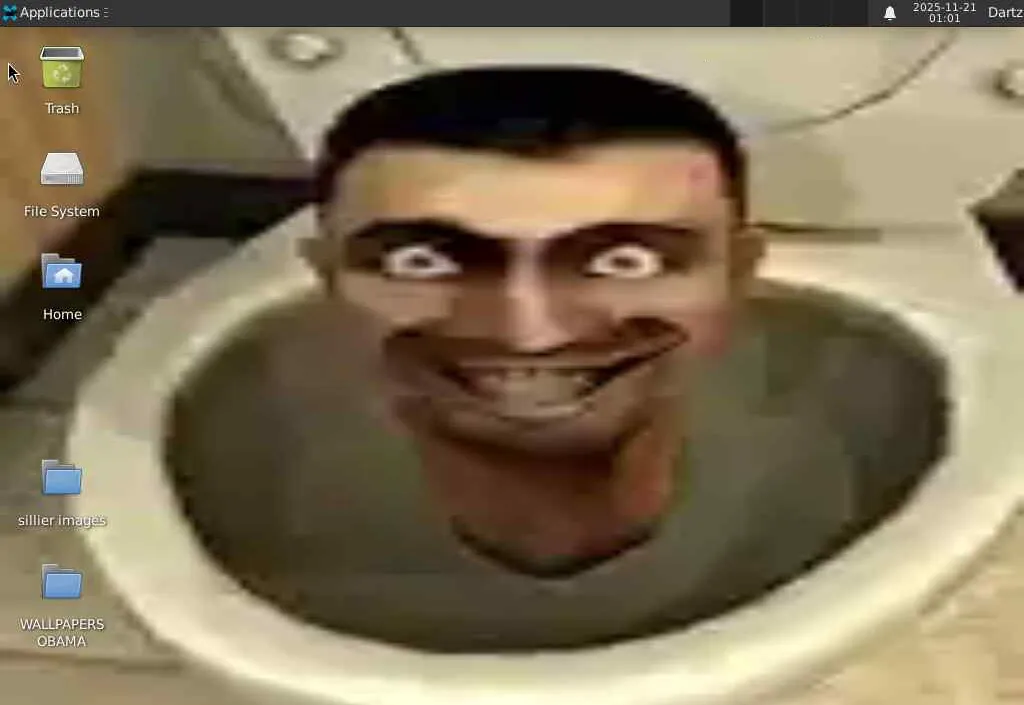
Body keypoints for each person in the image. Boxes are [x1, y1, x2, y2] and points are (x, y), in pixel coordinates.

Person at [170, 66, 946, 652]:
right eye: (422, 261)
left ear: (739, 275)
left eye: (625, 262)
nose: (530, 332)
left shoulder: (833, 453)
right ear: (328, 277)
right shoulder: (253, 468)